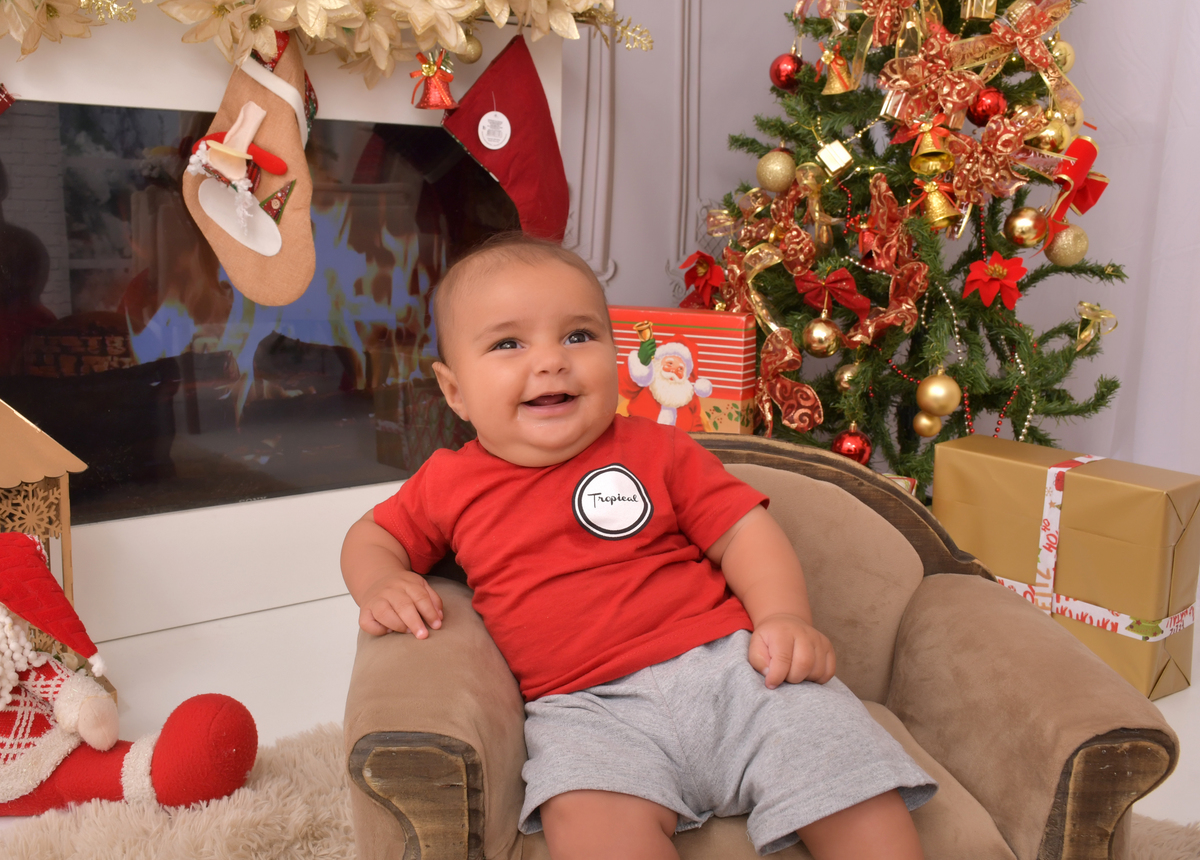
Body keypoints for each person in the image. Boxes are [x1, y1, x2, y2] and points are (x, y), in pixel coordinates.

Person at [341, 233, 935, 860]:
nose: (551, 361)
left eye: (578, 335)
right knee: (586, 818)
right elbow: (371, 535)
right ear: (455, 389)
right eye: (508, 344)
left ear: (616, 354)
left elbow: (743, 530)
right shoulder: (450, 482)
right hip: (586, 710)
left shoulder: (657, 448)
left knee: (839, 762)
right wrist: (380, 580)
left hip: (733, 671)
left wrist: (784, 617)